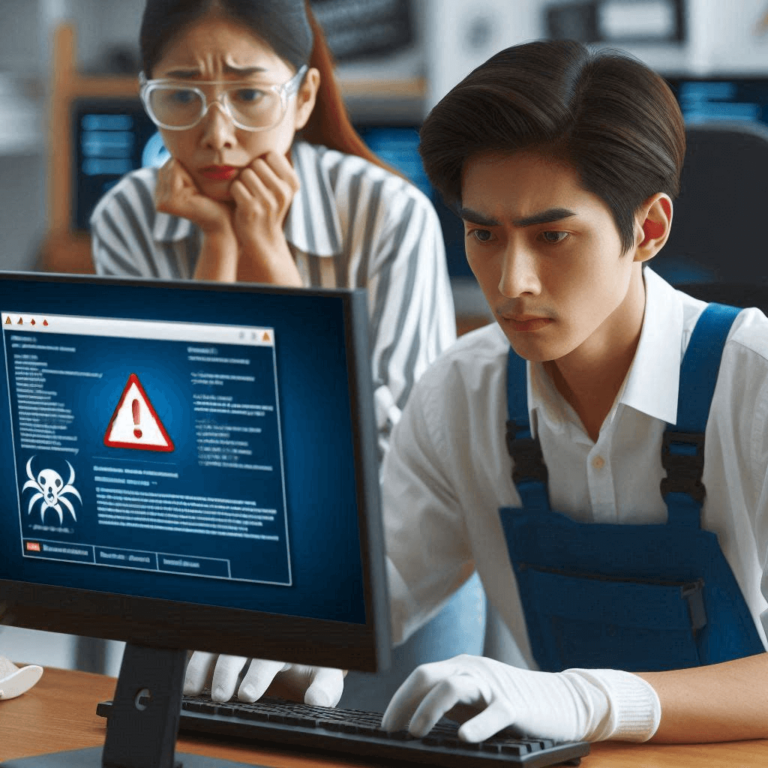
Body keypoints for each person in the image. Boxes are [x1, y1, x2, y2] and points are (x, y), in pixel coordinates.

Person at [375, 39, 768, 745]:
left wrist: (594, 699)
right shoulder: (460, 395)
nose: (510, 282)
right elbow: (378, 594)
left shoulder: (757, 383)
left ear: (646, 229)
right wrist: (280, 651)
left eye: (552, 236)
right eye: (482, 233)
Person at [90, 0, 458, 707]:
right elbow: (172, 459)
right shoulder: (129, 217)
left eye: (251, 95)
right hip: (219, 559)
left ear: (304, 97)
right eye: (180, 97)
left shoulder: (389, 215)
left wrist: (268, 254)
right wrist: (219, 253)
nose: (217, 136)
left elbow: (407, 462)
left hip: (386, 561)